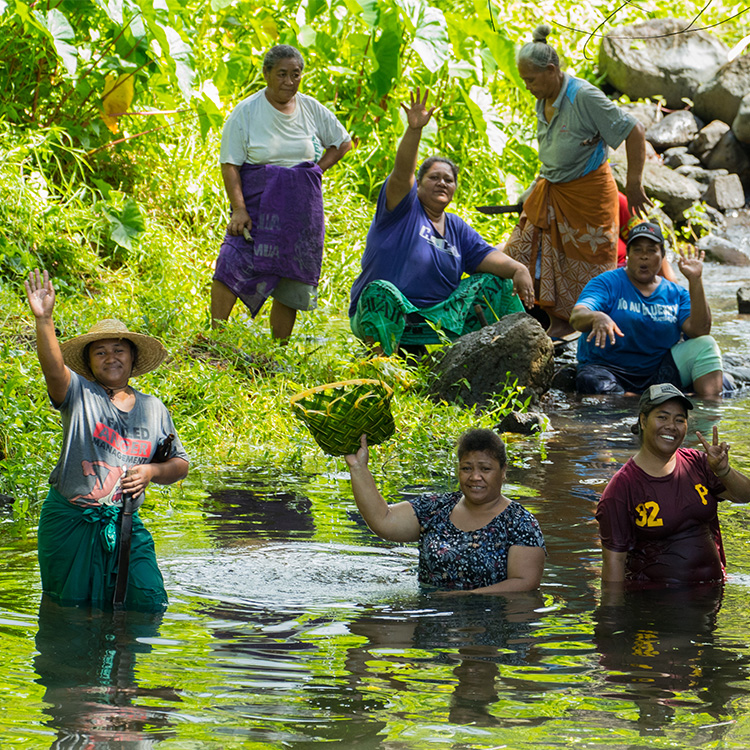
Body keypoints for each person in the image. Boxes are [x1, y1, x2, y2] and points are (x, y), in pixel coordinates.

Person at [25, 269, 189, 611]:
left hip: (125, 522)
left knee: (148, 601)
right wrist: (45, 319)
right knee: (70, 609)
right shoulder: (79, 395)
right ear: (89, 363)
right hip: (70, 521)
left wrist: (151, 473)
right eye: (100, 353)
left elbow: (179, 463)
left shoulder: (153, 409)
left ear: (132, 357)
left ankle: (124, 661)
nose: (111, 358)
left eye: (118, 350)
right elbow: (54, 369)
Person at [349, 89, 534, 357]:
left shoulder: (457, 228)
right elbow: (402, 173)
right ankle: (380, 366)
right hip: (389, 313)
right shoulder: (402, 209)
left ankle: (513, 357)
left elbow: (488, 258)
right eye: (434, 177)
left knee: (498, 283)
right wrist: (414, 131)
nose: (442, 183)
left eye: (448, 179)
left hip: (436, 320)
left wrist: (519, 269)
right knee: (380, 291)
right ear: (419, 184)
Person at [504, 24, 651, 340]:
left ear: (551, 71)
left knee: (585, 265)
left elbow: (634, 130)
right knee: (518, 252)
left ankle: (573, 324)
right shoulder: (544, 95)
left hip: (588, 194)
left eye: (530, 79)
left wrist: (635, 183)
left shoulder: (583, 96)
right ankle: (541, 317)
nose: (527, 85)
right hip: (551, 189)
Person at [211, 44, 352, 339]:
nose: (289, 81)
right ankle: (215, 336)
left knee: (292, 273)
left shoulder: (311, 108)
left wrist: (316, 171)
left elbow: (342, 142)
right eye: (282, 74)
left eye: (295, 74)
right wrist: (239, 208)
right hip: (257, 200)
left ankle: (278, 349)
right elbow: (230, 164)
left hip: (300, 207)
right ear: (266, 74)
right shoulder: (247, 111)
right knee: (233, 259)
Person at [345, 428, 546, 592]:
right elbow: (383, 519)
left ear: (503, 471)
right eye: (467, 468)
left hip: (490, 627)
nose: (475, 477)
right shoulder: (435, 507)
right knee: (373, 632)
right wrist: (358, 467)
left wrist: (467, 598)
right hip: (431, 617)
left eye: (485, 469)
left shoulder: (520, 522)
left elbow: (525, 582)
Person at [596, 383, 750, 585]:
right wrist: (613, 615)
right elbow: (613, 567)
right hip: (657, 603)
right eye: (662, 417)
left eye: (680, 420)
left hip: (711, 598)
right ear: (643, 420)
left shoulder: (699, 464)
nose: (671, 426)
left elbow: (744, 496)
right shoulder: (622, 489)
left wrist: (723, 471)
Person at [569, 221, 723, 398]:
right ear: (627, 255)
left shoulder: (676, 293)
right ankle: (645, 400)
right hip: (608, 370)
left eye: (651, 250)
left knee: (706, 344)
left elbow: (700, 331)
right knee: (591, 382)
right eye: (637, 250)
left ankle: (706, 415)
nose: (644, 256)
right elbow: (577, 316)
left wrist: (696, 280)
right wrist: (596, 317)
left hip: (658, 372)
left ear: (662, 256)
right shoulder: (607, 283)